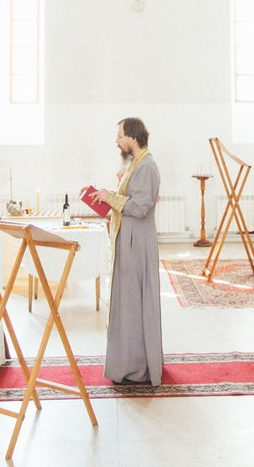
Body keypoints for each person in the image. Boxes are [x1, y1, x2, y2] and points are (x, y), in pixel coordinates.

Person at [90, 117, 163, 386]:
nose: (116, 141)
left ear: (132, 136)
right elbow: (130, 198)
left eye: (119, 135)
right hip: (129, 240)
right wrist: (105, 195)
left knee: (135, 303)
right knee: (127, 303)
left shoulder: (148, 165)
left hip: (137, 242)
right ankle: (127, 363)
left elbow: (140, 207)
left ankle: (138, 367)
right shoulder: (137, 164)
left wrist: (112, 196)